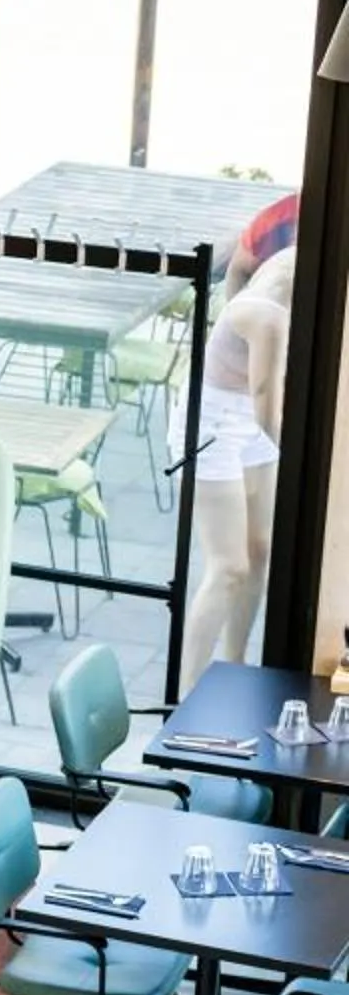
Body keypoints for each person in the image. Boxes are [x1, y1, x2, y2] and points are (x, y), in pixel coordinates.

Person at [178, 251, 295, 690]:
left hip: (247, 416)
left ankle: (234, 667)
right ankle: (186, 695)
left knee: (260, 549)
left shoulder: (302, 265)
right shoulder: (268, 318)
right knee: (228, 567)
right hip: (212, 423)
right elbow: (270, 417)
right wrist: (310, 475)